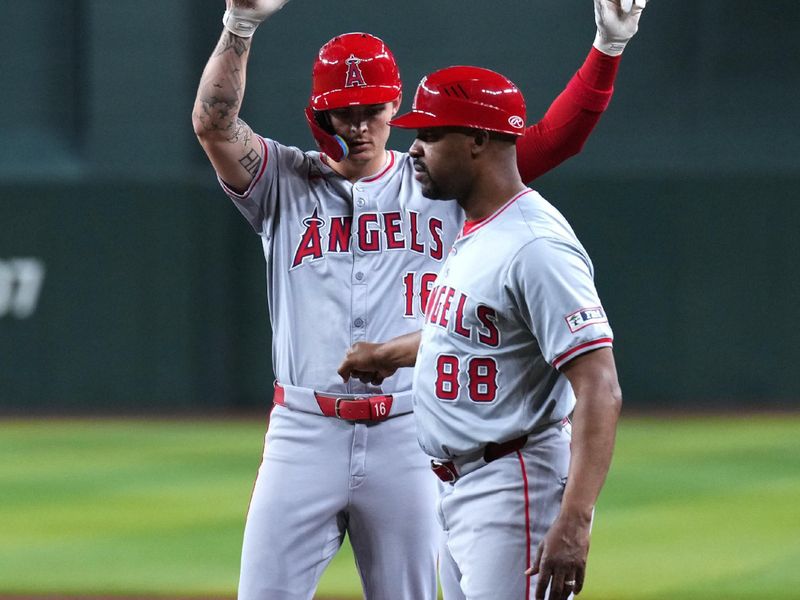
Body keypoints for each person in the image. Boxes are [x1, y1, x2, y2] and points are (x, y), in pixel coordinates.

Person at [191, 1, 647, 598]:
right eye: (343, 111)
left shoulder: (439, 176)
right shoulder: (283, 180)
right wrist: (240, 25)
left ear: (394, 107)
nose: (357, 124)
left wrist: (607, 49)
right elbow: (213, 123)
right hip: (304, 426)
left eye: (372, 109)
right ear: (319, 113)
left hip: (408, 433)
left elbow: (550, 140)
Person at [338, 66, 623, 600]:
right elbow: (467, 335)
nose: (415, 149)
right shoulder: (476, 224)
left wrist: (576, 519)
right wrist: (389, 353)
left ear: (477, 140)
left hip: (512, 484)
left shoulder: (535, 245)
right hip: (458, 485)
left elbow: (599, 385)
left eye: (429, 134)